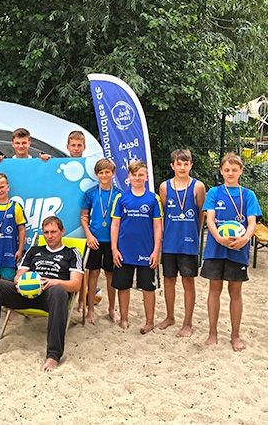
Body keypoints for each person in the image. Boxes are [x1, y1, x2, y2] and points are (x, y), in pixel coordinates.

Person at [0, 216, 84, 372]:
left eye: (53, 232)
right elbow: (18, 275)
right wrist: (20, 282)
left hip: (50, 296)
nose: (49, 236)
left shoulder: (72, 253)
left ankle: (53, 356)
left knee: (59, 291)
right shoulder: (34, 251)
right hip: (26, 293)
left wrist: (55, 282)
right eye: (46, 232)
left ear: (62, 231)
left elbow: (75, 284)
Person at [201, 153, 261, 351]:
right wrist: (218, 237)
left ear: (241, 171)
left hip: (238, 249)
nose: (230, 173)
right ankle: (212, 333)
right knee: (214, 289)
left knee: (235, 292)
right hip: (216, 248)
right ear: (221, 171)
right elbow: (210, 218)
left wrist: (245, 239)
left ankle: (235, 335)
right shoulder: (214, 192)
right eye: (227, 170)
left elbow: (251, 222)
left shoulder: (248, 195)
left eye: (234, 170)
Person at [156, 150, 206, 337]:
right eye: (179, 164)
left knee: (188, 282)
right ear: (172, 165)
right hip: (169, 242)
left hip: (188, 242)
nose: (182, 167)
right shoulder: (164, 187)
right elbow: (163, 215)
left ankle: (187, 323)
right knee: (169, 280)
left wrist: (194, 232)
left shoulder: (198, 186)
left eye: (186, 164)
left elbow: (201, 213)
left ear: (191, 165)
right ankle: (170, 317)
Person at [110, 160, 163, 333]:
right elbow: (115, 225)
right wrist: (114, 249)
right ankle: (124, 318)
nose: (138, 178)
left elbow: (157, 227)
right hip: (124, 251)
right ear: (128, 177)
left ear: (146, 177)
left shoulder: (153, 199)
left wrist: (156, 250)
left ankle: (149, 322)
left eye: (141, 175)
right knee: (123, 286)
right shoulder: (121, 198)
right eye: (134, 175)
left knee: (148, 287)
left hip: (146, 252)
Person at [81, 158, 122, 324]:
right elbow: (84, 217)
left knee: (111, 275)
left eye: (107, 172)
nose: (104, 175)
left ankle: (112, 309)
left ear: (113, 173)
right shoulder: (90, 193)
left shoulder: (119, 194)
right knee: (93, 274)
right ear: (97, 174)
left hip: (112, 242)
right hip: (94, 240)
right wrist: (89, 236)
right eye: (101, 172)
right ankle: (90, 309)